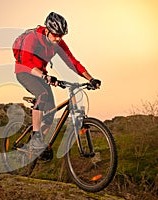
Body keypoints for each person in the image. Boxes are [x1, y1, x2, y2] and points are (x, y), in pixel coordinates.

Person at [13, 12, 101, 149]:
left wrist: (91, 79)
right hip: (25, 72)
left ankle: (37, 146)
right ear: (47, 31)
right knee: (42, 94)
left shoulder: (58, 43)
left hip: (42, 74)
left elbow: (73, 62)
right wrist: (45, 76)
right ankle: (36, 136)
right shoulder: (32, 38)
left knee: (50, 112)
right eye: (55, 34)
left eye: (61, 35)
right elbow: (25, 62)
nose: (58, 38)